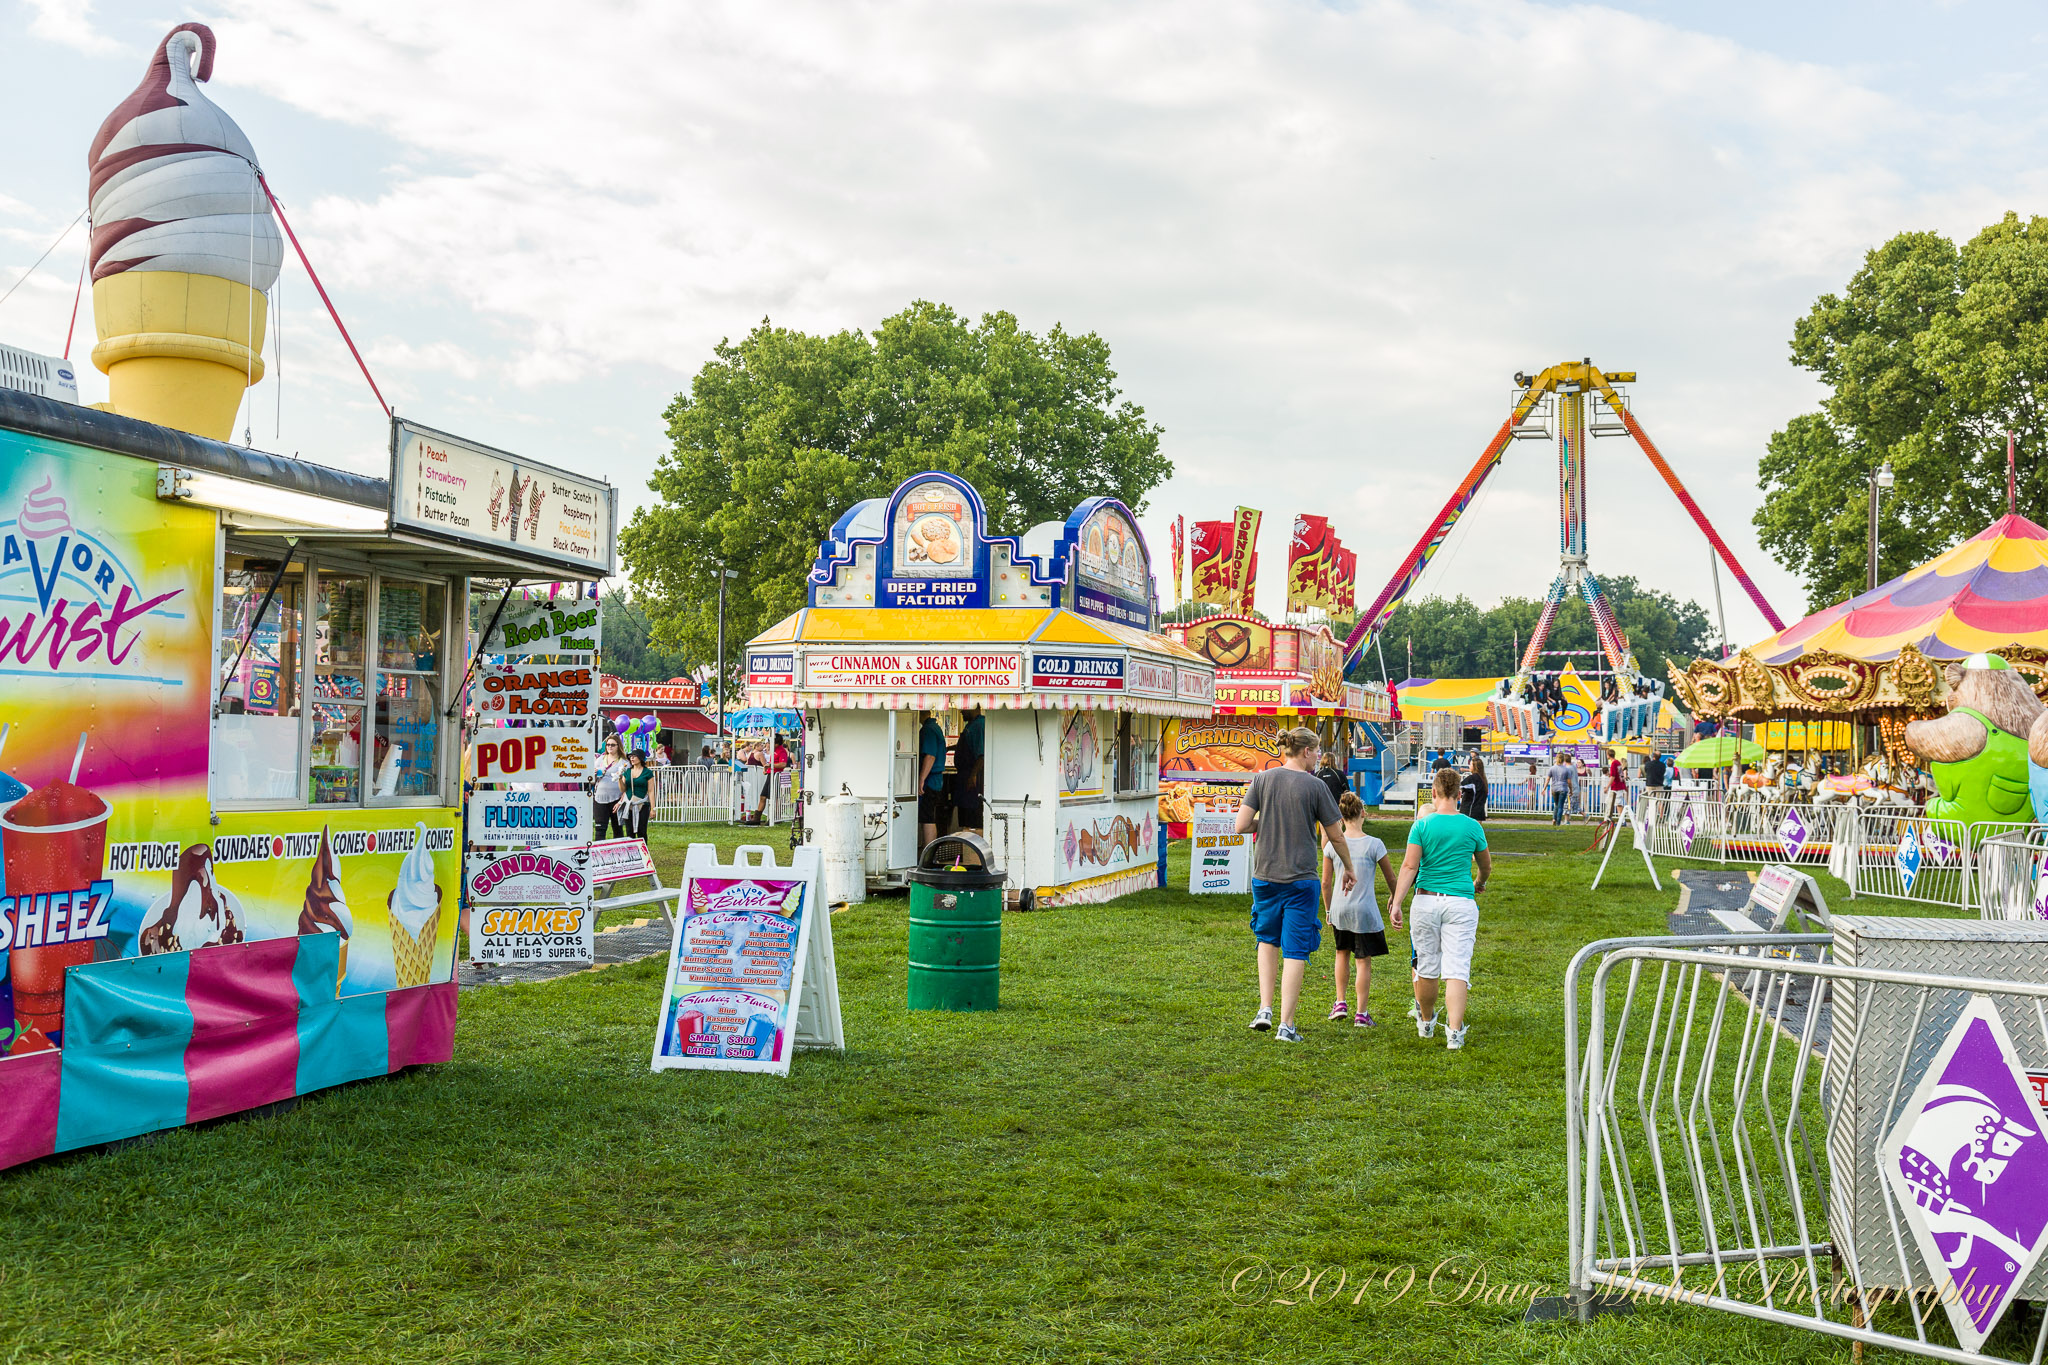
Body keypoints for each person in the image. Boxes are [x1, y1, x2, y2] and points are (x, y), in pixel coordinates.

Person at [1236, 727, 1356, 1043]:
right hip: (1301, 880)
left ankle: (1264, 1009)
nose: (1318, 757)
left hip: (1264, 876)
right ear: (1306, 751)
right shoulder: (1315, 786)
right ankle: (1286, 1025)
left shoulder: (1262, 779)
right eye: (1316, 751)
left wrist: (1268, 821)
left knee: (1267, 939)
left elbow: (1241, 825)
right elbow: (1336, 835)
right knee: (1295, 950)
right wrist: (1349, 867)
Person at [1389, 767, 1491, 1051]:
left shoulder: (1421, 826)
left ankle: (1426, 1022)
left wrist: (1397, 902)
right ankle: (1455, 1033)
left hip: (1426, 900)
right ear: (1459, 795)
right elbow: (1485, 866)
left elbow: (1409, 866)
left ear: (1433, 793)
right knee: (1457, 969)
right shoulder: (1472, 826)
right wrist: (1480, 882)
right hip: (1461, 902)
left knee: (1427, 966)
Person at [1322, 792, 1399, 1027]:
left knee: (1341, 953)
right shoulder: (1375, 844)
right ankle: (1361, 1013)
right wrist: (1395, 898)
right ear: (1363, 813)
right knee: (1363, 961)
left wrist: (1328, 910)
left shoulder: (1331, 846)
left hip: (1340, 908)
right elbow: (1391, 878)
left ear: (1341, 817)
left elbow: (1325, 883)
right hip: (1364, 910)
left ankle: (1340, 1002)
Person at [918, 712, 950, 849]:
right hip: (935, 780)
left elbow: (930, 756)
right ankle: (928, 853)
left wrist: (921, 779)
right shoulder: (936, 728)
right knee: (928, 816)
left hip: (930, 780)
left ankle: (928, 855)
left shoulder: (928, 729)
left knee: (927, 817)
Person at [952, 708, 985, 833]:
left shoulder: (978, 725)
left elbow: (981, 755)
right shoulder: (971, 725)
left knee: (972, 819)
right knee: (966, 817)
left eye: (964, 708)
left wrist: (973, 775)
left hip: (972, 779)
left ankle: (971, 842)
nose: (961, 711)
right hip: (965, 777)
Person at [592, 734, 627, 839]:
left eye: (612, 745)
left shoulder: (624, 762)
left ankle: (619, 849)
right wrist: (594, 775)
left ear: (618, 746)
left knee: (617, 828)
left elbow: (628, 785)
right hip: (599, 798)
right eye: (608, 745)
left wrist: (621, 801)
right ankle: (599, 848)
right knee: (600, 829)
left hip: (616, 798)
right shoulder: (600, 759)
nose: (610, 747)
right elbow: (592, 781)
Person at [621, 750, 653, 840]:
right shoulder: (627, 772)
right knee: (629, 831)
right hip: (629, 804)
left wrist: (653, 809)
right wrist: (619, 779)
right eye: (630, 756)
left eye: (634, 756)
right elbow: (623, 789)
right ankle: (631, 848)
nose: (632, 758)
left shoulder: (647, 772)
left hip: (643, 804)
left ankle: (642, 848)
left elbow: (651, 791)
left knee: (641, 830)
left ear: (641, 758)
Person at [1545, 753, 1575, 825]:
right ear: (1563, 760)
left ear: (1556, 759)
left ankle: (1554, 819)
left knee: (1556, 804)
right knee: (1560, 806)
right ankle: (1558, 822)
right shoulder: (1566, 769)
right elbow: (1569, 782)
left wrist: (1544, 788)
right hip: (1563, 788)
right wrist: (1571, 790)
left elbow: (1548, 779)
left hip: (1554, 788)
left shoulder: (1552, 768)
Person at [1460, 753, 1489, 821]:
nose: (1469, 766)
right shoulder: (1483, 779)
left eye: (1470, 764)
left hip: (1470, 812)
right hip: (1479, 812)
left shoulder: (1472, 779)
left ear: (1474, 766)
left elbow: (1460, 787)